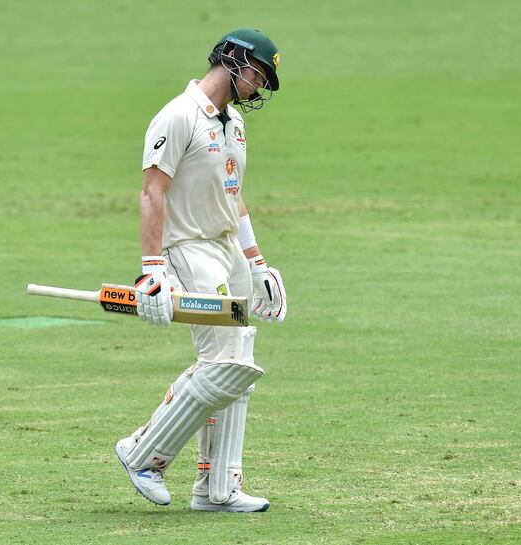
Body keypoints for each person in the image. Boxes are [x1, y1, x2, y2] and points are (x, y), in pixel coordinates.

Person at [115, 29, 288, 513]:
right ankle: (142, 452)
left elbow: (234, 195)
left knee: (237, 360)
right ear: (231, 59)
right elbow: (153, 192)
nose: (257, 86)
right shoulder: (178, 115)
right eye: (256, 74)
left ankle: (217, 489)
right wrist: (152, 268)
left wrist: (256, 264)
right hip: (189, 250)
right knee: (223, 361)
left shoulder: (234, 125)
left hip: (227, 249)